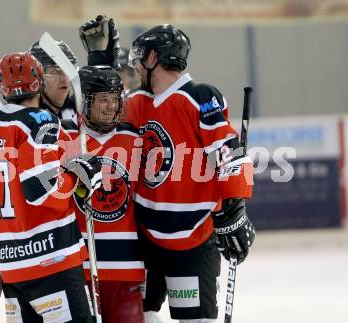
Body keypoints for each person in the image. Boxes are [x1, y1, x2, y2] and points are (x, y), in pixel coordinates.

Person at [82, 21, 256, 323]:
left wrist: (234, 208)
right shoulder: (137, 103)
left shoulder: (199, 96)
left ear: (152, 58)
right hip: (146, 239)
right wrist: (101, 62)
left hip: (193, 240)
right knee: (144, 316)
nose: (135, 67)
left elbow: (231, 154)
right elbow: (99, 119)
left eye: (138, 60)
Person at [0, 51, 102, 322]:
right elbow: (40, 191)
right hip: (52, 261)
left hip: (12, 265)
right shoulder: (41, 122)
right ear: (39, 83)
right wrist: (80, 177)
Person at [63, 65, 145, 323]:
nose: (111, 107)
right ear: (84, 103)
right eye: (102, 100)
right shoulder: (64, 139)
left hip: (127, 269)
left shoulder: (134, 140)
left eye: (115, 99)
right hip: (80, 270)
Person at [29, 39, 78, 127]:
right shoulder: (23, 119)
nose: (65, 80)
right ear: (37, 76)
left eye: (68, 71)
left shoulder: (79, 110)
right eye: (56, 71)